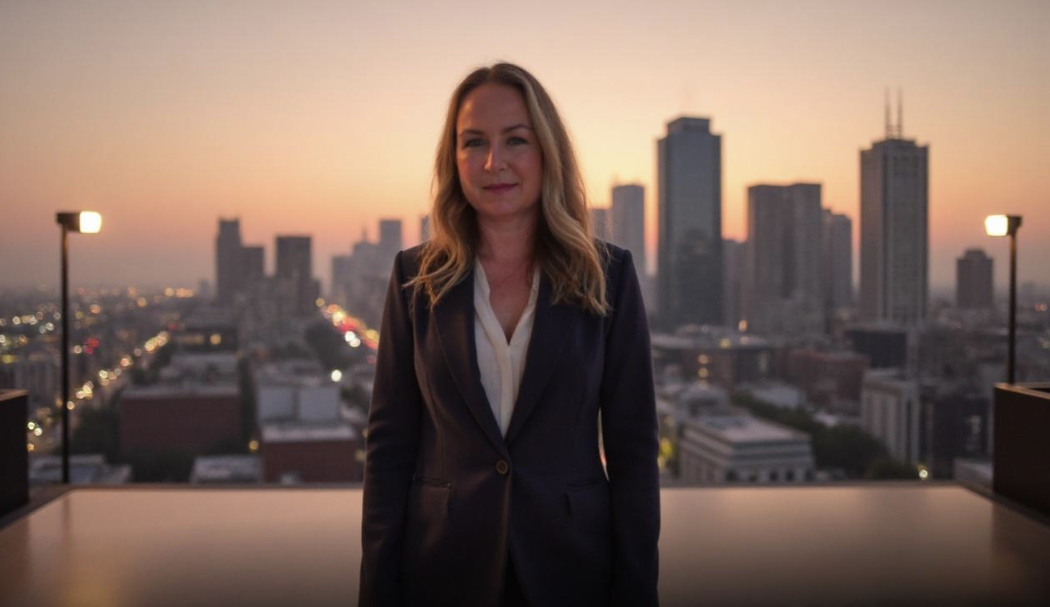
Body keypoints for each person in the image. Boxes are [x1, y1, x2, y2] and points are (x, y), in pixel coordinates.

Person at [359, 62, 660, 607]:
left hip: (574, 570)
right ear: (454, 160)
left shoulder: (607, 275)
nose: (494, 162)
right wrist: (376, 588)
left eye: (515, 140)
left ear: (547, 152)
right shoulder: (414, 277)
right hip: (440, 569)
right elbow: (389, 447)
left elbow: (633, 447)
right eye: (474, 142)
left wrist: (636, 589)